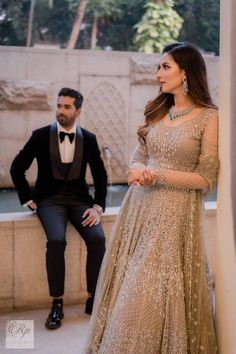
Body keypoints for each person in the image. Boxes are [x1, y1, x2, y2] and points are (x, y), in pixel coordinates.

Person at [83, 43, 218, 353]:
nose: (158, 73)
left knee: (146, 292)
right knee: (128, 284)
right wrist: (137, 169)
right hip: (139, 210)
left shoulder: (209, 118)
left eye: (165, 67)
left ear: (186, 72)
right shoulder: (159, 110)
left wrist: (157, 174)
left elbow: (206, 178)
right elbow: (138, 155)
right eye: (159, 67)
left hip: (174, 217)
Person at [10, 87, 107, 330]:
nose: (60, 111)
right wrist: (27, 198)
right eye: (59, 106)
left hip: (79, 201)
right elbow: (16, 168)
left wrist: (97, 207)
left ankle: (93, 299)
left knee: (97, 238)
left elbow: (101, 177)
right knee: (56, 240)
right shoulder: (40, 135)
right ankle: (57, 303)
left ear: (78, 111)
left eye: (66, 107)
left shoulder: (90, 139)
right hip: (49, 201)